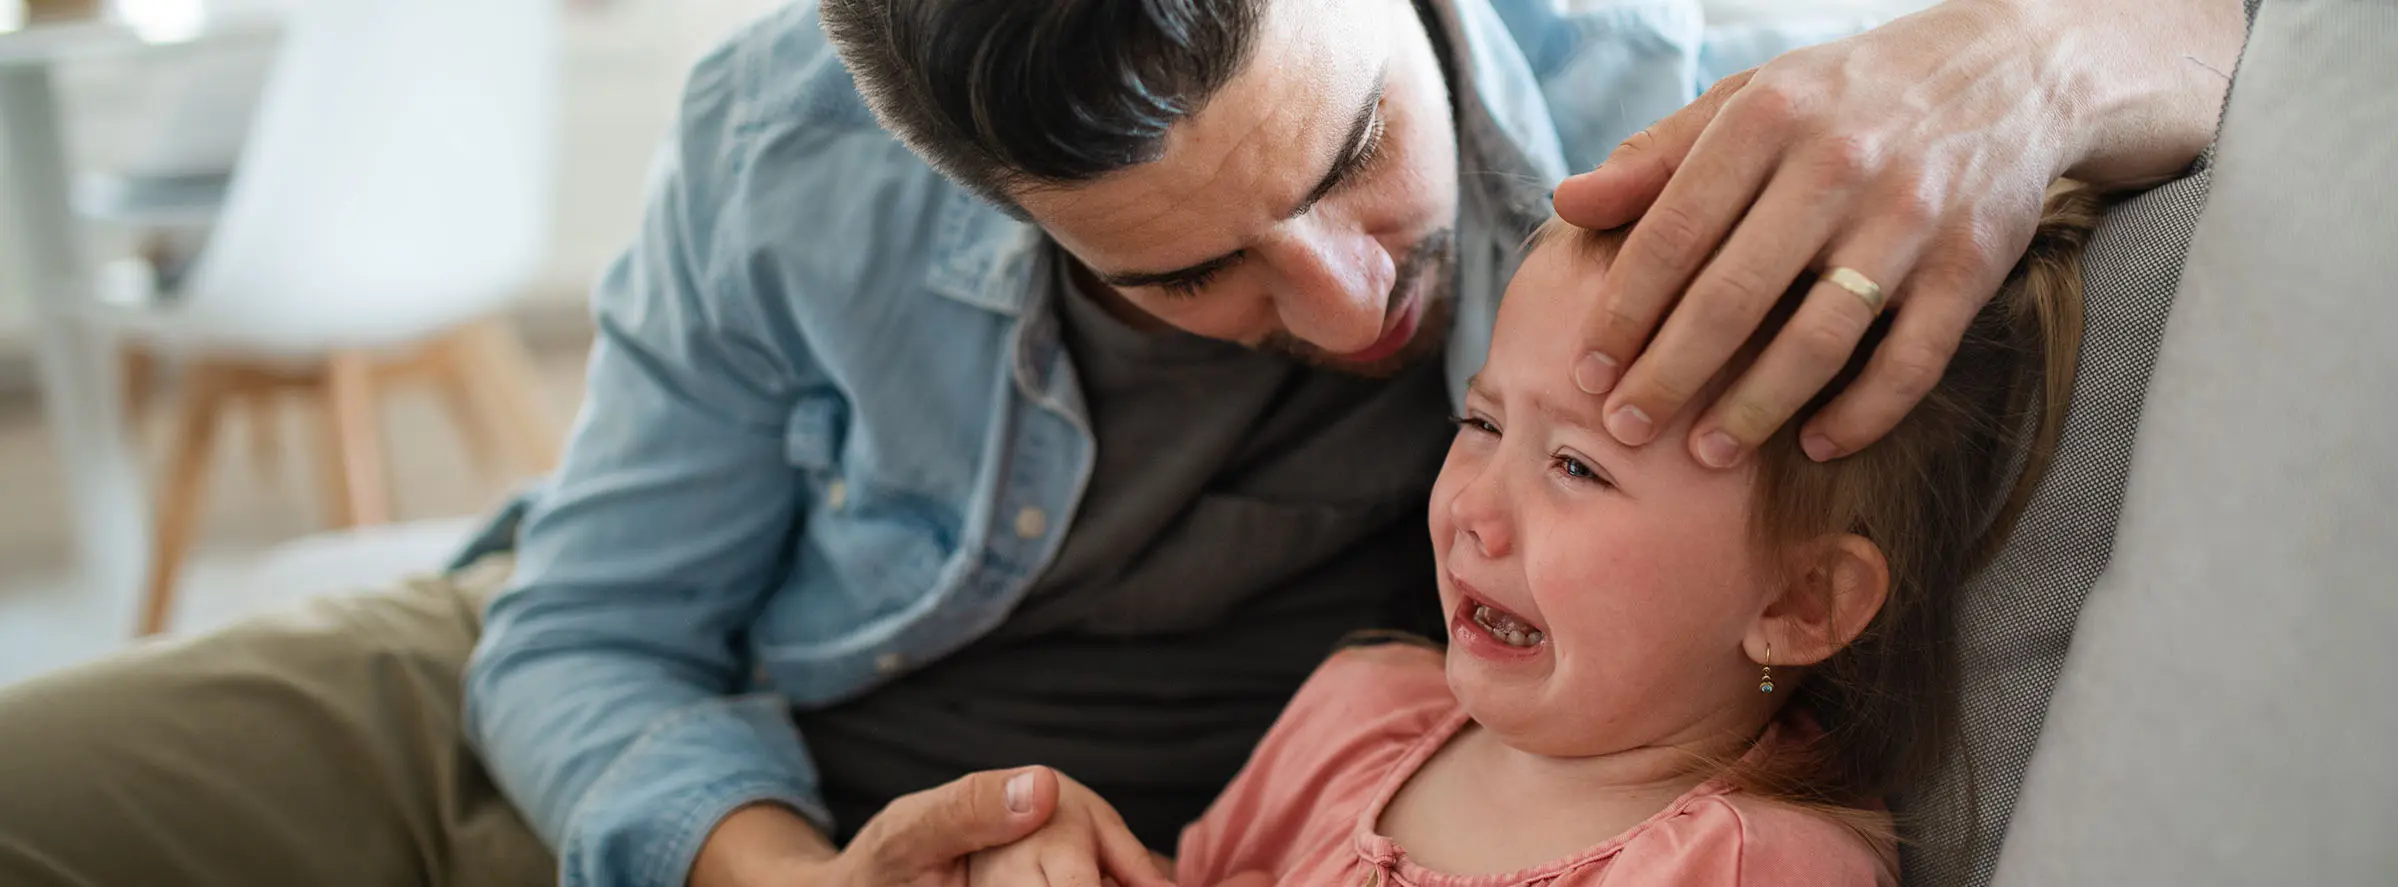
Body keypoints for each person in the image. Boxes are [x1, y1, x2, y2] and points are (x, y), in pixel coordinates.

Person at [0, 0, 2244, 885]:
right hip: (654, 726)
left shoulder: (1667, 84)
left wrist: (2039, 54)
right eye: (1182, 273)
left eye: (1353, 157)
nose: (1352, 303)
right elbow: (585, 628)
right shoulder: (789, 138)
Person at [968, 187, 2101, 886]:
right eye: (1481, 421)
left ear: (1799, 603)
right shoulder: (1356, 714)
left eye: (1576, 466)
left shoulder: (1745, 863)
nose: (1470, 506)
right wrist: (1074, 850)